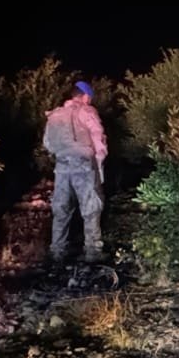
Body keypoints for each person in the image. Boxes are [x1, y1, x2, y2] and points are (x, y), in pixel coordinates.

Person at [43, 80, 108, 262]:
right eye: (90, 98)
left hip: (62, 167)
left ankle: (57, 251)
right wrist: (99, 162)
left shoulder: (55, 115)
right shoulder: (87, 111)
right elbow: (98, 139)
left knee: (61, 209)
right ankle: (93, 251)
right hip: (83, 166)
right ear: (85, 96)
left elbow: (47, 143)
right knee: (91, 208)